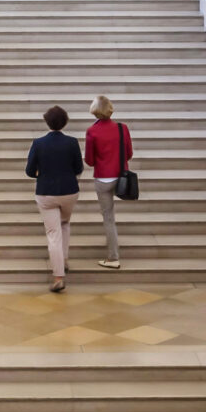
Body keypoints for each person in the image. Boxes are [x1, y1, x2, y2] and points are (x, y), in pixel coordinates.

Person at [26, 104, 84, 292]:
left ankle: (59, 276)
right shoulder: (72, 143)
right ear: (65, 122)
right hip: (69, 191)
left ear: (47, 122)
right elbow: (79, 169)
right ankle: (64, 259)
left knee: (53, 233)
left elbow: (29, 171)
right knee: (65, 223)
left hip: (46, 193)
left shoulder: (38, 143)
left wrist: (41, 175)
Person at [82, 94, 134, 270]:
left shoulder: (92, 131)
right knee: (110, 217)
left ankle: (113, 257)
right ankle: (113, 253)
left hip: (103, 179)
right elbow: (129, 154)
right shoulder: (122, 128)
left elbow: (89, 160)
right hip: (120, 176)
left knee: (108, 218)